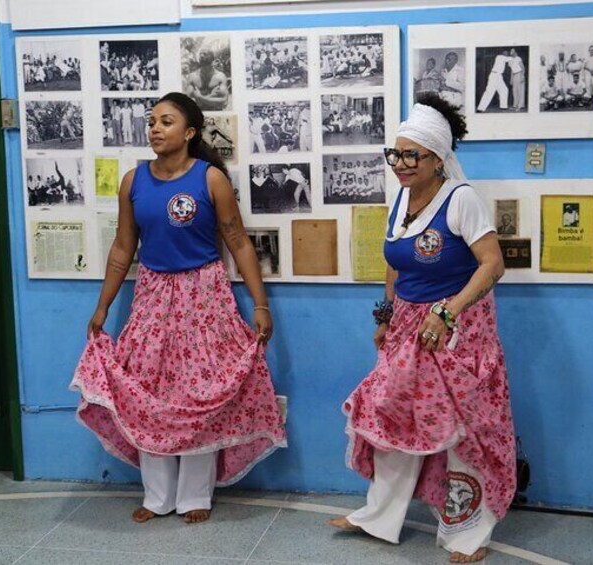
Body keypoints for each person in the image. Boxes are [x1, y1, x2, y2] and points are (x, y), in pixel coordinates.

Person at [71, 93, 287, 525]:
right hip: (151, 296)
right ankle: (157, 496)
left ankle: (193, 496)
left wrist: (260, 304)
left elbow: (239, 241)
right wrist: (102, 305)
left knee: (199, 395)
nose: (154, 128)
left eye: (166, 122)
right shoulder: (134, 181)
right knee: (148, 394)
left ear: (189, 132)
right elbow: (122, 248)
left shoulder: (211, 179)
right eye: (151, 121)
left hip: (204, 296)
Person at [327, 93, 515, 564]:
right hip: (409, 327)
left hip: (456, 331)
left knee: (461, 430)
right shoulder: (402, 201)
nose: (401, 163)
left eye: (412, 154)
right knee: (394, 415)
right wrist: (386, 317)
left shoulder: (461, 200)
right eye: (396, 153)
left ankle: (469, 532)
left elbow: (492, 265)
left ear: (438, 158)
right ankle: (379, 516)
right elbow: (395, 263)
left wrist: (446, 313)